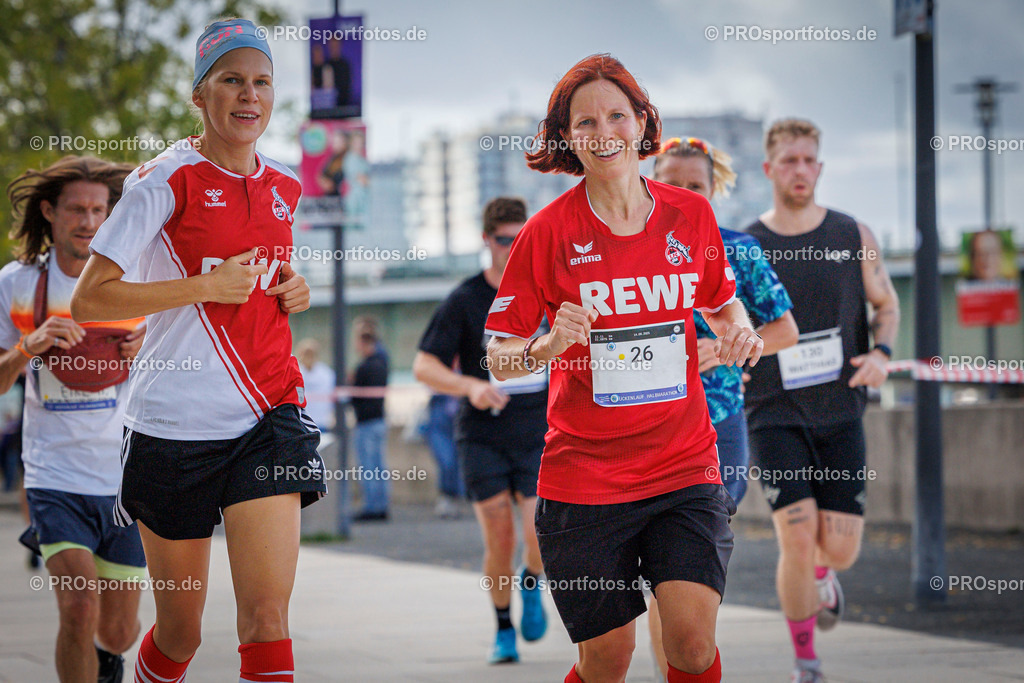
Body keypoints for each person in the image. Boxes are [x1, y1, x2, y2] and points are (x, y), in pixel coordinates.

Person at [486, 54, 764, 683]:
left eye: (617, 114)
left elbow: (721, 301)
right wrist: (544, 347)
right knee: (606, 662)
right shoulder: (544, 234)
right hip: (585, 479)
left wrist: (738, 330)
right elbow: (497, 354)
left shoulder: (689, 217)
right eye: (585, 121)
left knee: (691, 646)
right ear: (567, 138)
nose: (603, 130)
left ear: (643, 124)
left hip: (684, 464)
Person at [70, 19, 324, 683]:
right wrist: (204, 286)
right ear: (199, 94)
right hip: (172, 428)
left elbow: (265, 277)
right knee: (182, 630)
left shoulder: (288, 186)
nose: (249, 95)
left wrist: (292, 288)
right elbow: (93, 299)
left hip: (269, 418)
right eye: (231, 80)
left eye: (261, 81)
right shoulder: (164, 180)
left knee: (266, 617)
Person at [743, 118, 900, 683]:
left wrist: (881, 353)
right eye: (789, 161)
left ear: (821, 167)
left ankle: (824, 576)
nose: (801, 171)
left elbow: (887, 304)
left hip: (841, 410)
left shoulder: (852, 235)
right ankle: (806, 662)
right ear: (769, 169)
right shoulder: (746, 245)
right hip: (772, 411)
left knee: (838, 549)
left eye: (810, 160)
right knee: (795, 534)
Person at [646, 136, 799, 680]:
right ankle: (680, 661)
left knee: (688, 552)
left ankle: (687, 651)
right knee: (665, 562)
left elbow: (785, 330)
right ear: (650, 181)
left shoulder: (737, 249)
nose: (684, 193)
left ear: (714, 191)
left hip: (719, 421)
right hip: (646, 427)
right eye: (672, 183)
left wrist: (731, 341)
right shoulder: (626, 248)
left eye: (696, 186)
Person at [2, 155, 146, 683]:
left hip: (126, 480)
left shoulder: (133, 280)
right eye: (76, 210)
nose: (88, 221)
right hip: (54, 477)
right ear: (50, 211)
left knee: (120, 629)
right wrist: (26, 347)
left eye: (97, 210)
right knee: (78, 608)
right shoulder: (15, 284)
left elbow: (186, 359)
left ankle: (106, 664)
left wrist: (148, 345)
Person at [413, 197, 549, 664]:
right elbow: (423, 365)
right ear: (486, 241)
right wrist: (470, 385)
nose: (513, 248)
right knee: (498, 538)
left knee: (538, 534)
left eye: (521, 238)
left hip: (540, 432)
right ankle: (503, 628)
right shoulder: (465, 298)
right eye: (504, 240)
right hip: (483, 435)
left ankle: (532, 582)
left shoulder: (547, 288)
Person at [350, 317, 390, 521]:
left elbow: (353, 397)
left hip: (366, 422)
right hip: (379, 420)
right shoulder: (382, 361)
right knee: (379, 466)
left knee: (368, 467)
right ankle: (381, 505)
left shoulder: (365, 366)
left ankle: (372, 507)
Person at [420, 391, 463, 518]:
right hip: (440, 425)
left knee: (456, 462)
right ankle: (447, 495)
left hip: (458, 422)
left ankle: (454, 497)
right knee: (446, 461)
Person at [296, 338, 336, 431]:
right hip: (301, 422)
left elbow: (333, 396)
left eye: (311, 354)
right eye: (306, 354)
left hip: (322, 421)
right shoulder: (295, 372)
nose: (309, 357)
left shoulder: (327, 373)